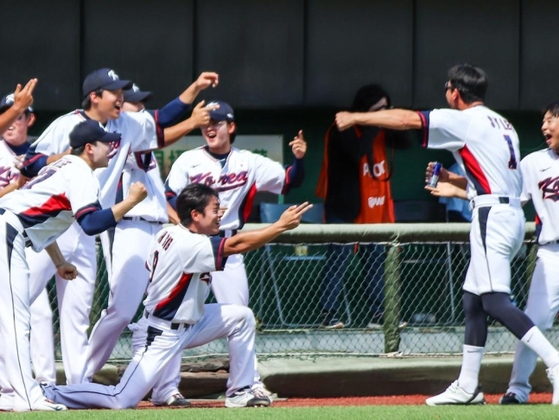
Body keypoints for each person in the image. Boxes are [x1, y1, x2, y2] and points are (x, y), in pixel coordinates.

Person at [335, 63, 559, 406]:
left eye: (447, 89)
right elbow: (496, 179)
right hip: (508, 214)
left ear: (455, 91)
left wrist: (357, 118)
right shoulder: (504, 124)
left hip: (491, 216)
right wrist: (456, 185)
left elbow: (409, 120)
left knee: (496, 302)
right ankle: (467, 386)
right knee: (473, 300)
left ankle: (555, 362)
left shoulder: (466, 119)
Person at [19, 68, 218, 386]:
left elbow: (162, 118)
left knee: (77, 316)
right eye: (114, 92)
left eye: (122, 91)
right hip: (48, 224)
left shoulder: (125, 123)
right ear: (95, 96)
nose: (121, 97)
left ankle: (76, 387)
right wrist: (66, 157)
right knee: (18, 302)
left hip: (86, 229)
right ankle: (7, 384)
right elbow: (28, 163)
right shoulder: (67, 125)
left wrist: (194, 88)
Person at [41, 184, 312, 409]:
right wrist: (279, 226)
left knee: (241, 316)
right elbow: (238, 244)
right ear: (195, 215)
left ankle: (240, 390)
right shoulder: (189, 243)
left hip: (192, 321)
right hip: (160, 333)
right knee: (120, 399)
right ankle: (52, 392)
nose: (220, 215)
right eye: (215, 210)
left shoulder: (169, 232)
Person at [0, 119, 147, 411]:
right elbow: (91, 223)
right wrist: (130, 202)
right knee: (15, 320)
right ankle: (28, 397)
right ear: (90, 148)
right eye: (106, 142)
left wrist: (59, 261)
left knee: (9, 319)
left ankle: (12, 394)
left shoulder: (61, 166)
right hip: (7, 230)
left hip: (11, 226)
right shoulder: (81, 171)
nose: (111, 146)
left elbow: (40, 220)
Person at [93, 83, 187, 406]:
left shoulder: (137, 131)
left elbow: (157, 190)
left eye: (142, 103)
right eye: (135, 103)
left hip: (159, 228)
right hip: (130, 227)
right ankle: (84, 372)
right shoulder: (117, 136)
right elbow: (162, 135)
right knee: (120, 310)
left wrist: (173, 217)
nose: (141, 110)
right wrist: (193, 120)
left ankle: (166, 387)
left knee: (168, 309)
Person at [165, 100, 306, 307]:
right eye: (206, 123)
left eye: (216, 123)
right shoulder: (188, 159)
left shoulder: (249, 162)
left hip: (228, 246)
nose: (209, 128)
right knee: (182, 315)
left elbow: (290, 180)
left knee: (239, 316)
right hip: (193, 244)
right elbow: (169, 197)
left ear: (230, 127)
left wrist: (299, 160)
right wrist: (188, 225)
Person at [316, 84, 411, 329]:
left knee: (376, 262)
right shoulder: (343, 128)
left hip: (375, 211)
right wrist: (374, 122)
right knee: (338, 261)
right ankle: (328, 315)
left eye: (385, 109)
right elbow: (357, 152)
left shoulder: (382, 130)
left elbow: (407, 142)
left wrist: (388, 118)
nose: (382, 113)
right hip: (345, 209)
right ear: (364, 109)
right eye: (377, 109)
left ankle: (380, 314)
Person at [495, 102, 559, 404]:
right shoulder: (533, 163)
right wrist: (457, 186)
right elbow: (508, 198)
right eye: (543, 121)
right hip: (552, 254)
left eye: (551, 121)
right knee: (532, 321)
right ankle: (518, 389)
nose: (545, 127)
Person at [0, 92, 56, 409]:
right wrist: (17, 185)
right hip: (2, 233)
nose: (10, 121)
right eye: (6, 113)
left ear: (29, 119)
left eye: (17, 114)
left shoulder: (39, 154)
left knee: (40, 311)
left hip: (26, 239)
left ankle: (44, 384)